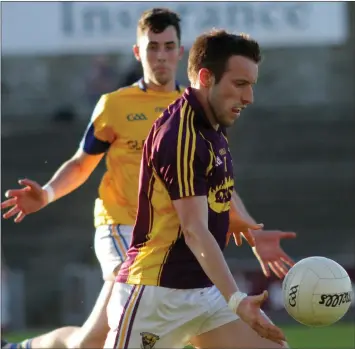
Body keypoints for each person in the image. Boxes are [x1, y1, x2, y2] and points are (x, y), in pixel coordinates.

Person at [1, 9, 295, 349]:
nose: (161, 55)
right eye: (152, 47)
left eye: (169, 46)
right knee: (97, 334)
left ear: (180, 53)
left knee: (87, 342)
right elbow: (83, 163)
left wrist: (251, 230)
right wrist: (49, 193)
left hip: (193, 277)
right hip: (132, 240)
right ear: (138, 52)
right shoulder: (126, 108)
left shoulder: (209, 116)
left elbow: (217, 190)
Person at [104, 30, 290, 349]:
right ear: (206, 77)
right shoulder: (180, 135)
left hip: (204, 291)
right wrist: (236, 300)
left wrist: (251, 229)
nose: (249, 98)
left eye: (251, 86)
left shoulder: (213, 125)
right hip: (156, 295)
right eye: (240, 84)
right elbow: (194, 230)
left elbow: (221, 190)